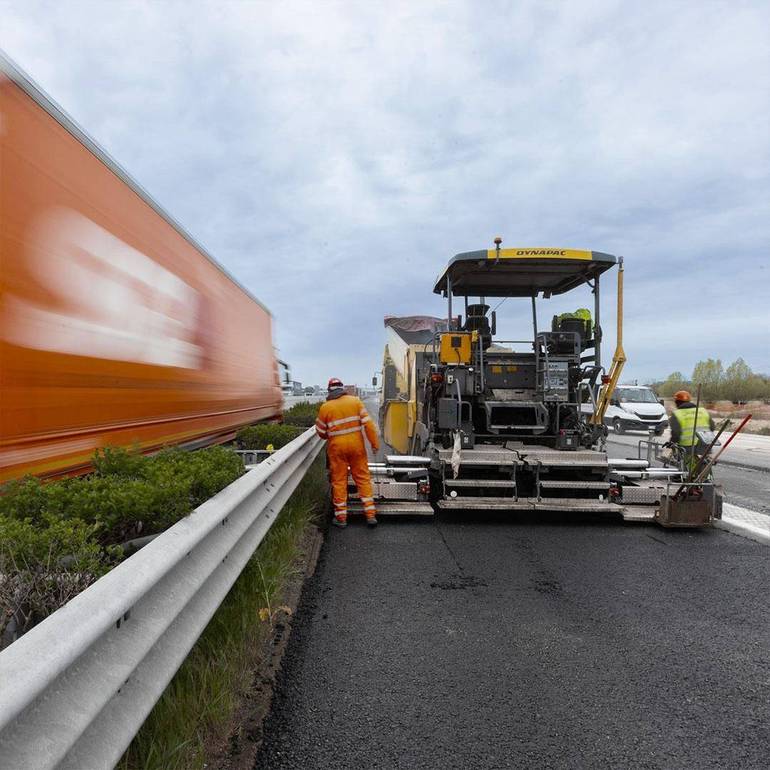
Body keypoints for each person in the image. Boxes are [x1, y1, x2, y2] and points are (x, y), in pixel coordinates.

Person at [315, 378, 380, 528]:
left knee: (339, 481)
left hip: (337, 449)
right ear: (342, 388)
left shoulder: (325, 407)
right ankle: (370, 515)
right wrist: (374, 444)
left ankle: (341, 518)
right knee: (363, 479)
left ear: (329, 390)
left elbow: (321, 432)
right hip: (357, 448)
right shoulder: (355, 402)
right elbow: (369, 425)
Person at [669, 389, 715, 458]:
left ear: (677, 402)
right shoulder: (703, 411)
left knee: (685, 467)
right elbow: (712, 427)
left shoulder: (677, 414)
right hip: (705, 446)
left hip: (687, 448)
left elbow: (676, 434)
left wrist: (671, 444)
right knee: (705, 463)